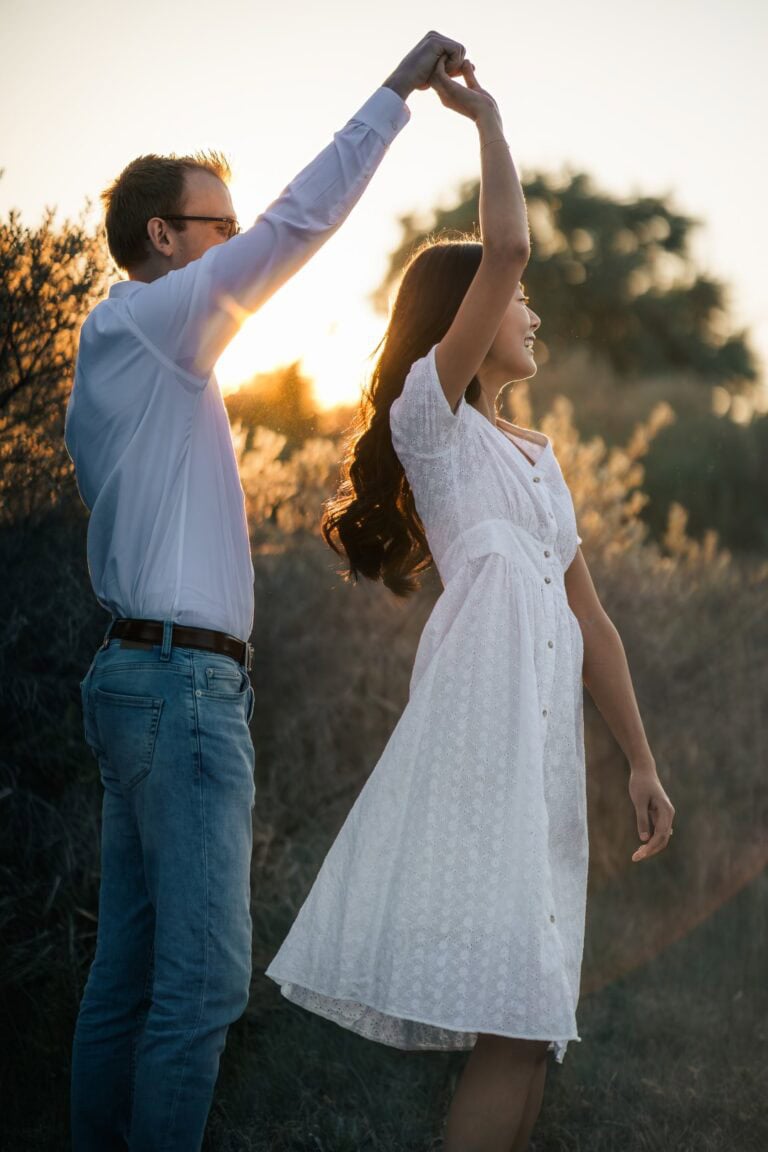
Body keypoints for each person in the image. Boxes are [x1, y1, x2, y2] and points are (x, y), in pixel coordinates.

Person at [64, 31, 469, 1151]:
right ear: (164, 237)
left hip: (141, 678)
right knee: (200, 990)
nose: (238, 247)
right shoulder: (155, 321)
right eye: (218, 229)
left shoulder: (125, 351)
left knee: (128, 977)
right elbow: (302, 221)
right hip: (182, 688)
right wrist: (394, 96)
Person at [265, 57, 676, 1152]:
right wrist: (487, 117)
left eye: (527, 304)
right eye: (517, 307)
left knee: (532, 1027)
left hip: (539, 761)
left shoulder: (538, 460)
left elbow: (595, 623)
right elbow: (507, 248)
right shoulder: (430, 418)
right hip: (478, 742)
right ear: (467, 317)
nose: (529, 312)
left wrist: (638, 759)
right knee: (513, 1016)